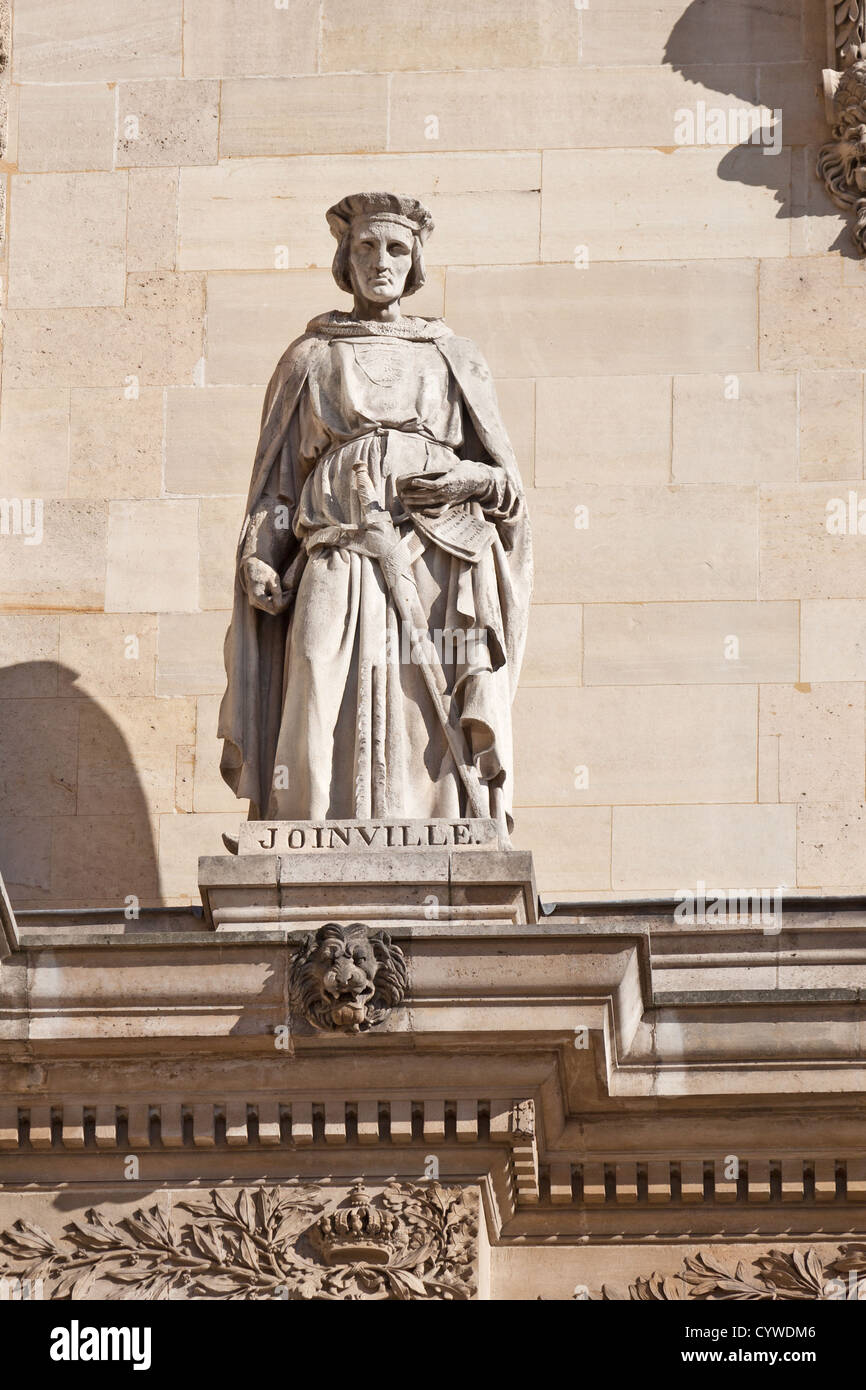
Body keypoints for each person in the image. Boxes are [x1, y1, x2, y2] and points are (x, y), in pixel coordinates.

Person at [219, 192, 532, 836]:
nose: (380, 261)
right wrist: (259, 554)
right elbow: (279, 485)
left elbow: (507, 492)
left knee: (424, 683)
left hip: (440, 547)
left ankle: (437, 824)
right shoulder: (312, 356)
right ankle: (302, 822)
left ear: (415, 261)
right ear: (346, 258)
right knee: (310, 662)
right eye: (365, 247)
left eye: (395, 248)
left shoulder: (452, 356)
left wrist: (467, 476)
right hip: (334, 543)